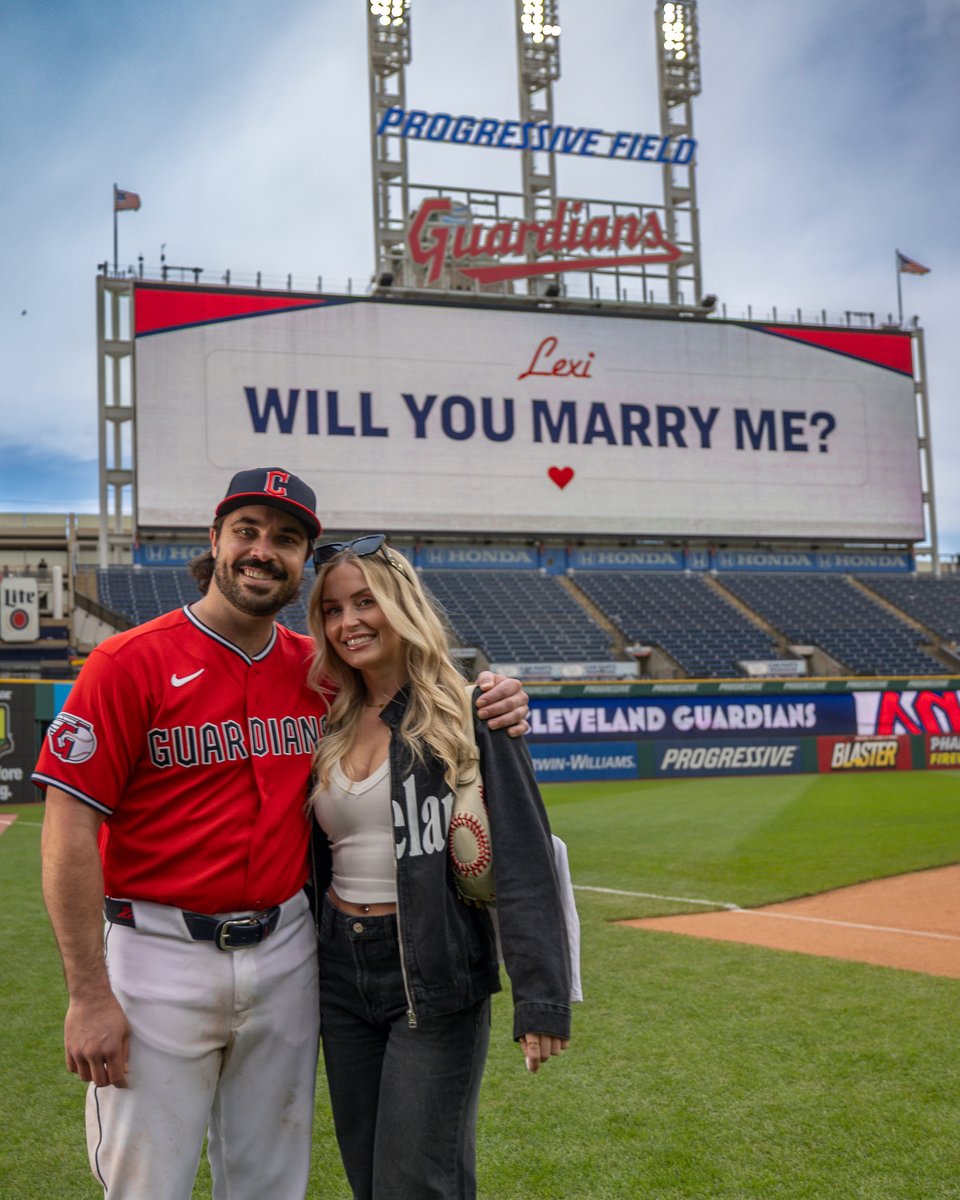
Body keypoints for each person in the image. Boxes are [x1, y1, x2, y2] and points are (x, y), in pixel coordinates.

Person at [34, 468, 529, 1200]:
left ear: (302, 562)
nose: (263, 550)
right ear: (215, 540)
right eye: (248, 531)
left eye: (287, 539)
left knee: (270, 1181)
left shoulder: (323, 672)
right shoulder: (127, 661)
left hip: (289, 953)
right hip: (159, 952)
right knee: (147, 1184)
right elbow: (68, 830)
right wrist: (87, 994)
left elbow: (416, 690)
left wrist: (496, 695)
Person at [308, 534, 572, 1200]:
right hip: (338, 972)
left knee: (418, 1183)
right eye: (333, 610)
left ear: (402, 603)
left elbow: (526, 859)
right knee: (369, 1178)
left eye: (365, 601)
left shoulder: (471, 712)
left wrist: (540, 998)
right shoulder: (327, 718)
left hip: (432, 966)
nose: (348, 622)